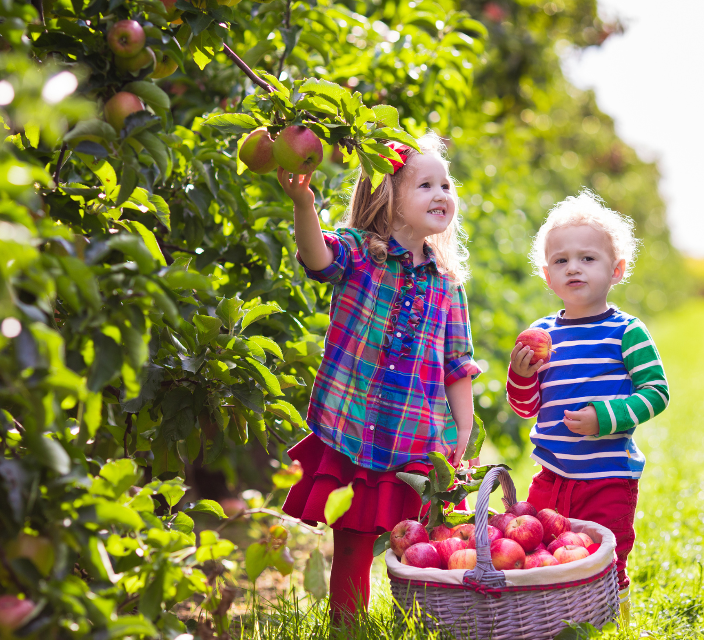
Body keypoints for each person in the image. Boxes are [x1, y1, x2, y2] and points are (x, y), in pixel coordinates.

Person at [278, 133, 480, 622]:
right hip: (354, 430)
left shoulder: (447, 283)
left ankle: (424, 621)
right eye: (425, 185)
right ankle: (349, 627)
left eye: (446, 185)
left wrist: (465, 430)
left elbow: (458, 364)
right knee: (352, 540)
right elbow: (316, 255)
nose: (441, 195)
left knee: (421, 544)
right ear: (387, 197)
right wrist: (305, 205)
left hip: (416, 438)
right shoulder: (359, 254)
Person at [505, 191, 669, 623]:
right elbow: (526, 408)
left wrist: (605, 417)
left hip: (607, 476)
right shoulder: (540, 334)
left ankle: (612, 620)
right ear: (546, 275)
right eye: (560, 261)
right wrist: (521, 376)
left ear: (617, 270)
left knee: (606, 558)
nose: (573, 267)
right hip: (551, 477)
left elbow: (656, 392)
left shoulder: (627, 332)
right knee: (543, 554)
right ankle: (554, 621)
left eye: (587, 258)